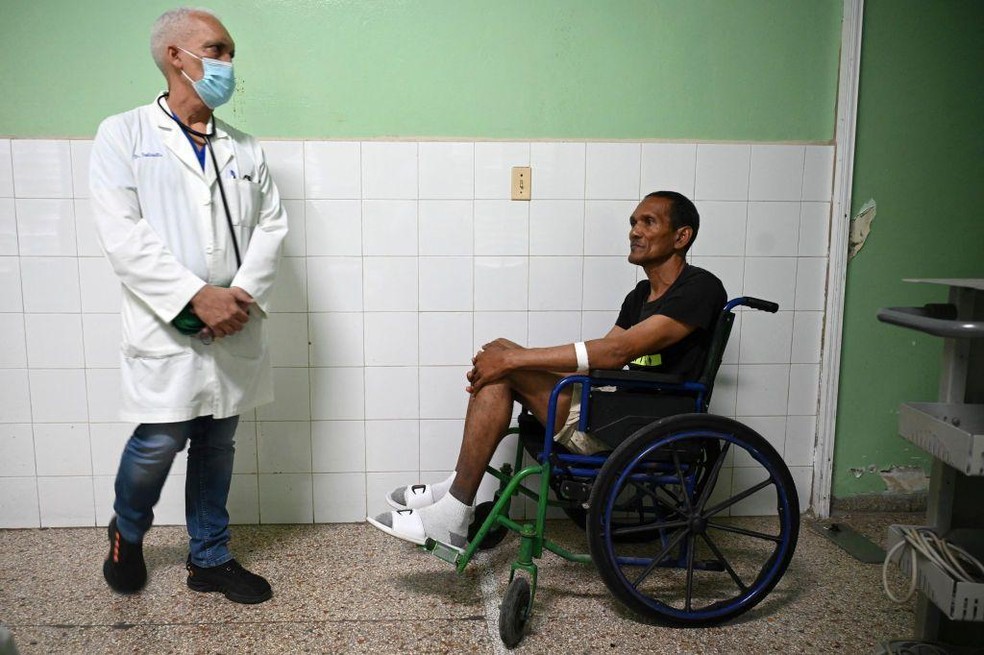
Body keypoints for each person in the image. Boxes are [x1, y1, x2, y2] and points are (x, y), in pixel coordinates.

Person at [368, 191, 726, 550]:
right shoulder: (640, 296)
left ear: (682, 236)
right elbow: (602, 362)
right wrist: (510, 356)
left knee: (507, 365)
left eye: (648, 222)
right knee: (502, 350)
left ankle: (454, 510)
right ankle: (455, 492)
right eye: (633, 222)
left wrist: (516, 362)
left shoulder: (700, 288)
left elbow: (618, 351)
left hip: (644, 427)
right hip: (617, 409)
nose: (635, 231)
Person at [90, 7, 287, 604]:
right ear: (177, 55)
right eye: (218, 50)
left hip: (233, 323)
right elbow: (122, 233)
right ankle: (128, 530)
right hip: (167, 323)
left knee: (217, 445)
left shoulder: (244, 149)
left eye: (230, 53)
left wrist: (237, 298)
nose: (228, 63)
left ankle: (210, 558)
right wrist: (194, 298)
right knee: (159, 439)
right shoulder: (122, 134)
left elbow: (273, 227)